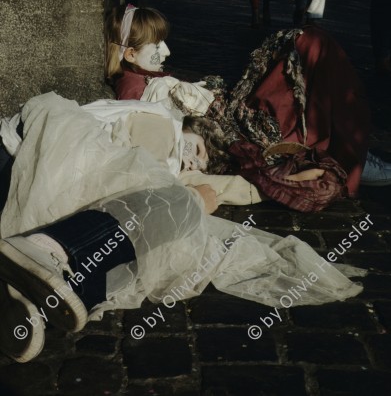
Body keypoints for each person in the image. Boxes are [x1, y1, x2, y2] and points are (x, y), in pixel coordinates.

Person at [0, 93, 366, 364]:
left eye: (196, 161)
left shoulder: (164, 162)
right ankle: (48, 250)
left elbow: (238, 188)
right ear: (188, 129)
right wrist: (192, 196)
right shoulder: (160, 124)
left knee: (167, 231)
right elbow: (132, 164)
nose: (190, 160)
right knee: (175, 208)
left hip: (48, 181)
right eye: (195, 149)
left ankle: (35, 297)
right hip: (33, 159)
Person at [105, 4, 391, 196]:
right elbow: (164, 144)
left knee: (308, 44)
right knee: (310, 44)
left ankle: (352, 150)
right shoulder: (134, 90)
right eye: (156, 45)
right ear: (130, 54)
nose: (166, 52)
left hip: (240, 111)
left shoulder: (141, 78)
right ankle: (351, 156)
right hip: (245, 128)